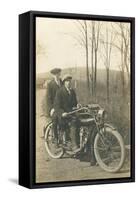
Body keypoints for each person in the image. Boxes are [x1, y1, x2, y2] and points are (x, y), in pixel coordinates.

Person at [54, 74, 80, 151]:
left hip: (71, 113)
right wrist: (62, 113)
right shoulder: (59, 92)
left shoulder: (72, 91)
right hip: (63, 115)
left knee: (80, 120)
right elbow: (57, 106)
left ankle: (79, 142)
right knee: (73, 121)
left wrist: (78, 105)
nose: (68, 83)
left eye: (69, 81)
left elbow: (75, 103)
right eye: (67, 81)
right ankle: (73, 144)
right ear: (64, 82)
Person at [46, 68, 62, 142]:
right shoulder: (50, 84)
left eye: (58, 74)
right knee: (55, 119)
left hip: (61, 106)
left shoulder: (62, 82)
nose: (57, 75)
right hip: (54, 107)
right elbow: (49, 98)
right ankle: (55, 138)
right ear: (53, 75)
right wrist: (51, 108)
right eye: (55, 74)